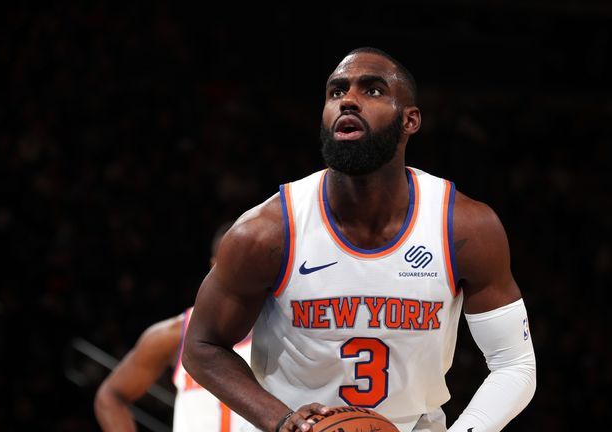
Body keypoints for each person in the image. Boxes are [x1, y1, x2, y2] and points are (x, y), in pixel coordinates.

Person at [182, 47, 536, 432]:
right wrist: (281, 420)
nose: (348, 100)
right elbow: (202, 347)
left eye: (373, 91)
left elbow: (514, 364)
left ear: (410, 120)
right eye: (336, 92)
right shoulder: (268, 231)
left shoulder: (463, 228)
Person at [94, 221, 253, 432]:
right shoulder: (174, 334)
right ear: (213, 265)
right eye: (231, 261)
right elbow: (111, 396)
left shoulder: (284, 327)